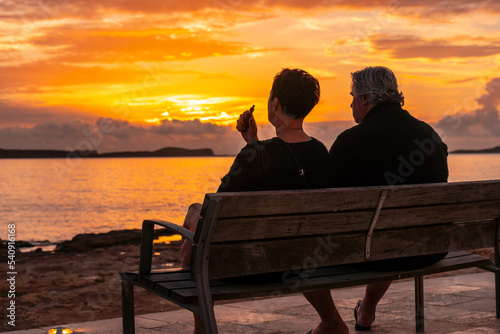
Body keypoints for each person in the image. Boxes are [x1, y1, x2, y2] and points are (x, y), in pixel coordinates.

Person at [180, 68, 331, 334]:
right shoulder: (321, 153)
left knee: (196, 215)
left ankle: (201, 330)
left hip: (253, 267)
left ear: (275, 104)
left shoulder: (256, 157)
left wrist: (252, 148)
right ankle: (332, 322)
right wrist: (253, 142)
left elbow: (217, 213)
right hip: (304, 263)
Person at [305, 66, 449, 334]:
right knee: (388, 235)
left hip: (369, 252)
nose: (350, 103)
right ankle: (366, 311)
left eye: (352, 96)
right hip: (428, 248)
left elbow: (323, 205)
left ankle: (331, 323)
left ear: (365, 99)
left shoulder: (349, 142)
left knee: (372, 239)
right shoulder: (431, 136)